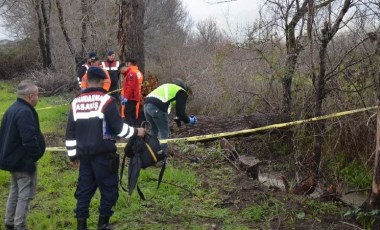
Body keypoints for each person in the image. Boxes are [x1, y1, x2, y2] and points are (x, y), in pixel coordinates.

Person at [65, 66, 145, 230]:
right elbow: (119, 129)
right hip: (104, 157)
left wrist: (73, 156)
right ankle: (103, 225)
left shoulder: (76, 102)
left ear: (86, 81)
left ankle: (81, 226)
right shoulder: (105, 101)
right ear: (103, 82)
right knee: (109, 190)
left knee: (84, 192)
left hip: (85, 157)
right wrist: (137, 131)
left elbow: (70, 133)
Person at [0, 80, 46, 230]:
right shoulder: (25, 112)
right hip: (22, 161)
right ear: (31, 96)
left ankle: (9, 222)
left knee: (15, 191)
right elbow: (28, 139)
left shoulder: (11, 109)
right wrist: (35, 155)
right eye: (37, 95)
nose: (38, 98)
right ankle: (20, 225)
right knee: (25, 195)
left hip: (12, 160)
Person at [143, 79, 197, 155]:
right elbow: (181, 113)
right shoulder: (181, 92)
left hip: (146, 106)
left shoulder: (169, 88)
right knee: (164, 133)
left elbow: (175, 113)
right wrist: (189, 120)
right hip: (156, 108)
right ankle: (162, 158)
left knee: (153, 132)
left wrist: (178, 121)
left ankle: (149, 155)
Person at [120, 58, 144, 127]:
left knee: (127, 113)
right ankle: (135, 128)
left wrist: (125, 97)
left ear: (129, 64)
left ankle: (132, 129)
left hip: (130, 96)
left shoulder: (131, 72)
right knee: (133, 113)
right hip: (136, 95)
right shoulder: (139, 72)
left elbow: (130, 86)